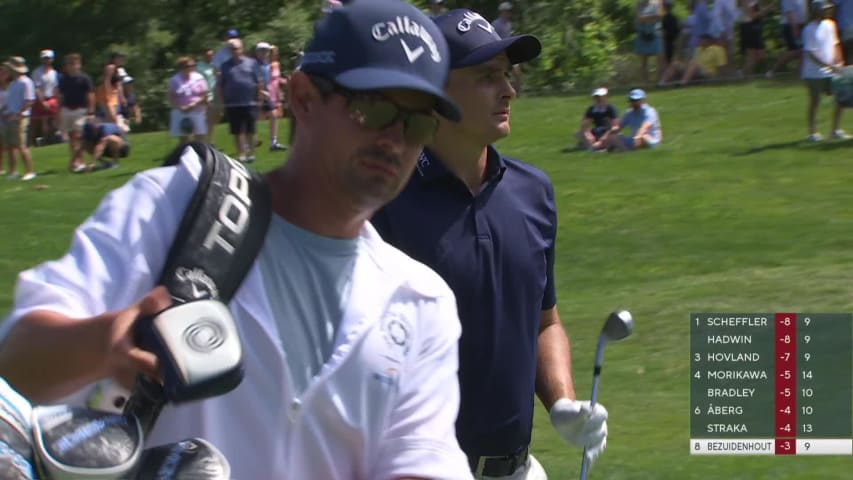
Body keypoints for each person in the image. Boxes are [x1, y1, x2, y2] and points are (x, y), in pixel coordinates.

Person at [0, 1, 473, 479]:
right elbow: (18, 359)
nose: (395, 139)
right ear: (304, 98)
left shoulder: (422, 301)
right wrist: (103, 343)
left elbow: (421, 460)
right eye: (373, 108)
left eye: (417, 123)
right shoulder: (178, 203)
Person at [372, 9, 609, 479]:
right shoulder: (383, 203)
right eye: (486, 77)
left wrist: (561, 402)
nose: (508, 91)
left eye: (506, 76)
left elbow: (545, 322)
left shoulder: (533, 193)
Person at [801, 0, 848, 140]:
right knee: (815, 101)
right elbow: (810, 53)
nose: (828, 11)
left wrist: (839, 62)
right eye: (824, 9)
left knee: (841, 99)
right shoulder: (809, 29)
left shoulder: (830, 25)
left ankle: (835, 130)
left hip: (833, 70)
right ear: (816, 11)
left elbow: (835, 44)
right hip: (814, 73)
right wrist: (827, 65)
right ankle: (813, 132)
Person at [219, 38, 262, 163]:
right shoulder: (225, 66)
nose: (235, 51)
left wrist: (259, 97)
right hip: (233, 103)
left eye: (237, 48)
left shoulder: (252, 63)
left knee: (250, 129)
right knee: (237, 131)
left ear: (242, 49)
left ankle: (251, 154)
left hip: (250, 101)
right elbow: (221, 85)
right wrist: (223, 102)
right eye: (232, 49)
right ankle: (241, 154)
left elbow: (258, 81)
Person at [57, 53, 96, 173]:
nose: (72, 66)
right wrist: (59, 109)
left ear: (79, 65)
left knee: (78, 136)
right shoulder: (64, 79)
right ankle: (76, 161)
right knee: (71, 138)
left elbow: (90, 94)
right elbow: (60, 95)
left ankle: (79, 161)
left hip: (81, 110)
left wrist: (90, 111)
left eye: (74, 63)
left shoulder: (84, 78)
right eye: (70, 64)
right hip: (67, 109)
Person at [2, 57, 36, 181]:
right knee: (11, 146)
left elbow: (29, 101)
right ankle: (13, 171)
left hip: (21, 118)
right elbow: (11, 101)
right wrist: (6, 111)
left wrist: (19, 113)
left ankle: (29, 171)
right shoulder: (12, 83)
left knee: (21, 145)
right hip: (11, 117)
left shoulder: (26, 82)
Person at [658, 33, 727, 85]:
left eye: (703, 39)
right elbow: (693, 62)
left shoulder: (717, 49)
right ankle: (662, 83)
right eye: (700, 39)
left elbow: (721, 66)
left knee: (694, 65)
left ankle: (683, 83)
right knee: (676, 64)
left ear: (708, 40)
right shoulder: (698, 49)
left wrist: (721, 78)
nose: (700, 41)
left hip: (708, 73)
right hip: (695, 71)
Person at [168, 56, 208, 144]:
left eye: (192, 65)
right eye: (188, 66)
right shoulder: (174, 80)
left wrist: (194, 104)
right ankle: (186, 155)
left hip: (197, 110)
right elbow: (171, 96)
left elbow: (204, 94)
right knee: (184, 137)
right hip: (181, 111)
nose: (191, 67)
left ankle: (200, 154)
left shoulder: (199, 78)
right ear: (182, 67)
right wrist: (180, 107)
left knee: (199, 136)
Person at [767, 0, 807, 77]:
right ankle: (773, 70)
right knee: (795, 51)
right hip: (790, 25)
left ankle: (801, 73)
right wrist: (795, 29)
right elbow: (790, 13)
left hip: (800, 25)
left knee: (802, 51)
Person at [30, 49, 60, 146]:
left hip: (52, 98)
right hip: (40, 99)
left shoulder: (54, 73)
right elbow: (37, 88)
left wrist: (57, 100)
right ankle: (32, 143)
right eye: (44, 58)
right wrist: (42, 101)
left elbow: (56, 88)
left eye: (48, 58)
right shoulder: (37, 72)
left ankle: (49, 139)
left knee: (53, 121)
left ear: (52, 59)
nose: (46, 60)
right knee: (37, 122)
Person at [635, 0, 666, 82]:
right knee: (643, 61)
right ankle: (645, 83)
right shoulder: (640, 3)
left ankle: (659, 81)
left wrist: (646, 17)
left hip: (655, 34)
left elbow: (660, 16)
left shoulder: (658, 2)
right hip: (643, 34)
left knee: (660, 59)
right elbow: (640, 18)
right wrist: (653, 17)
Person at [196, 49, 218, 143]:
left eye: (212, 55)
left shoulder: (214, 65)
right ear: (203, 55)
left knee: (212, 120)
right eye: (208, 55)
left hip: (215, 95)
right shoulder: (199, 67)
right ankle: (201, 141)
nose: (210, 57)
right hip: (205, 96)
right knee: (204, 120)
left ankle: (210, 141)